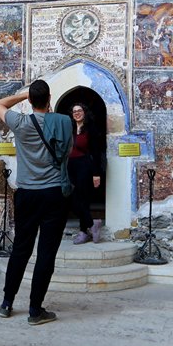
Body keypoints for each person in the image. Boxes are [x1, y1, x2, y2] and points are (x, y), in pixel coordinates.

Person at [0, 80, 72, 325]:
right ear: (49, 99)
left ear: (30, 100)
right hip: (53, 193)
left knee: (21, 249)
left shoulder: (20, 122)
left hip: (26, 193)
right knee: (46, 253)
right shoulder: (64, 122)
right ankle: (35, 310)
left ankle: (7, 303)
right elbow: (68, 150)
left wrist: (25, 95)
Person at [67, 103, 105, 244]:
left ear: (84, 112)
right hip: (70, 166)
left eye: (79, 110)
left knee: (82, 199)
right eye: (74, 111)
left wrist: (96, 174)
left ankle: (83, 232)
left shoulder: (91, 129)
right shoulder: (69, 128)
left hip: (85, 166)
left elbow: (96, 153)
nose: (77, 113)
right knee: (71, 198)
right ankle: (92, 223)